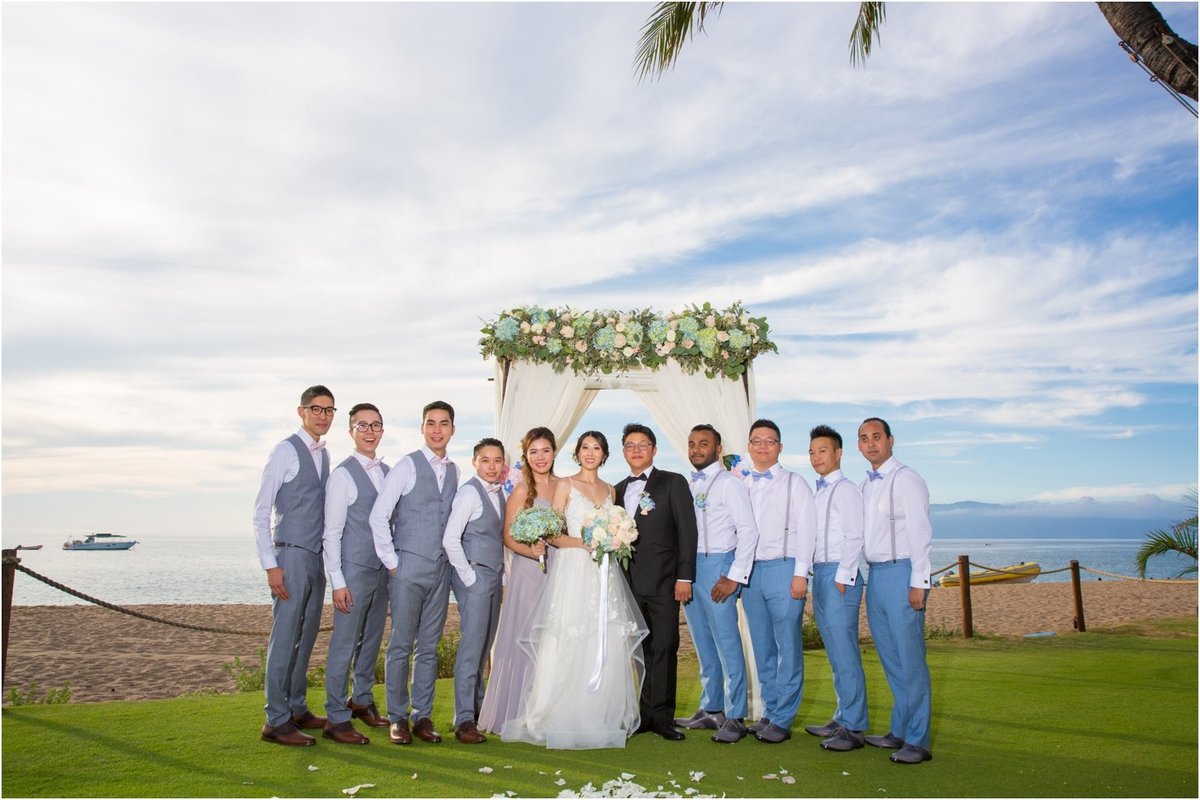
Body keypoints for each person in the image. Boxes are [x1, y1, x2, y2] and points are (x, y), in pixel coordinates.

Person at [502, 431, 648, 749]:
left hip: (603, 572)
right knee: (568, 634)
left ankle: (599, 713)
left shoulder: (610, 489)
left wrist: (613, 540)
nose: (590, 453)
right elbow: (553, 533)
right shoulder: (565, 485)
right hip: (573, 567)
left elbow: (616, 528)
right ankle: (556, 712)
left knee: (603, 636)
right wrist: (585, 543)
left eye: (596, 448)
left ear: (604, 454)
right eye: (585, 447)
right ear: (576, 453)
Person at [370, 401, 459, 746]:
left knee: (429, 647)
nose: (437, 429)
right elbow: (379, 516)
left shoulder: (454, 471)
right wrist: (392, 562)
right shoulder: (407, 465)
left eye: (444, 423)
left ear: (453, 429)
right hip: (407, 567)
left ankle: (422, 715)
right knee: (401, 645)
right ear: (422, 428)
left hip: (440, 570)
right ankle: (397, 717)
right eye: (431, 423)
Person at [253, 385, 335, 747]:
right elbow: (260, 512)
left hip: (315, 557)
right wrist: (271, 565)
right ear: (301, 411)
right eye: (317, 409)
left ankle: (297, 707)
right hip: (289, 554)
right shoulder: (285, 450)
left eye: (329, 410)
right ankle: (275, 719)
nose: (323, 416)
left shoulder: (324, 455)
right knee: (285, 637)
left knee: (306, 636)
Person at [614, 423, 699, 741]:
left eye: (642, 444)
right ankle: (644, 715)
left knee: (665, 647)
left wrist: (684, 576)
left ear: (654, 449)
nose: (636, 450)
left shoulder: (673, 483)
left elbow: (687, 532)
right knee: (640, 650)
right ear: (623, 451)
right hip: (629, 584)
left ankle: (663, 718)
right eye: (630, 445)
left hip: (665, 582)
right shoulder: (618, 489)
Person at [675, 424, 759, 743]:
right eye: (692, 443)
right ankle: (712, 708)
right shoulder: (687, 485)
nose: (697, 449)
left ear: (718, 448)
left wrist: (733, 575)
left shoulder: (729, 484)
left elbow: (748, 531)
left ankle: (736, 715)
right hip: (690, 566)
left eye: (704, 443)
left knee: (726, 641)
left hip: (719, 565)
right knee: (702, 641)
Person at [858, 417, 933, 764]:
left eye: (877, 437)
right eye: (864, 439)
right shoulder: (866, 484)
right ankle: (899, 730)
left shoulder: (907, 479)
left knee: (910, 660)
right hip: (876, 575)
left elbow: (920, 532)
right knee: (890, 659)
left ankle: (918, 740)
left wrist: (919, 581)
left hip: (902, 573)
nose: (871, 443)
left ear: (890, 440)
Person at [738, 419, 817, 744]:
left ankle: (783, 718)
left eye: (769, 441)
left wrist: (801, 573)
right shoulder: (741, 482)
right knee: (762, 647)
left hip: (784, 569)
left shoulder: (795, 483)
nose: (762, 446)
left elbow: (808, 529)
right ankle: (769, 712)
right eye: (756, 441)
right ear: (749, 446)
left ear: (780, 447)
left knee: (788, 646)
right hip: (750, 572)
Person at [478, 427, 559, 735]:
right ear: (526, 455)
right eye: (534, 451)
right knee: (526, 640)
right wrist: (532, 549)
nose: (540, 457)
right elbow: (508, 537)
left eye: (546, 450)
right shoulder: (522, 490)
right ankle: (516, 711)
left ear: (554, 452)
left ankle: (547, 710)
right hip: (529, 573)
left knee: (552, 640)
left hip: (558, 571)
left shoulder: (563, 486)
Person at [321, 403, 392, 745]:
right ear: (351, 431)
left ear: (382, 431)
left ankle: (361, 700)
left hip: (381, 573)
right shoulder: (343, 475)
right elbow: (331, 533)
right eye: (361, 425)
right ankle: (336, 717)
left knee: (372, 640)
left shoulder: (389, 472)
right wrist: (338, 582)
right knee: (344, 644)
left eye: (375, 425)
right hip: (353, 571)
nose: (369, 431)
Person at [804, 424, 869, 752]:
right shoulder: (818, 491)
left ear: (838, 453)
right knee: (835, 652)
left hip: (840, 577)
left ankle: (855, 727)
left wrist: (843, 577)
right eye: (812, 451)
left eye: (823, 450)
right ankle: (843, 715)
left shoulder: (846, 489)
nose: (816, 456)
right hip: (822, 574)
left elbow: (855, 535)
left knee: (845, 652)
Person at [442, 438, 508, 744]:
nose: (492, 466)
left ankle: (479, 708)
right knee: (471, 650)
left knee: (484, 647)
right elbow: (450, 539)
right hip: (477, 577)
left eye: (497, 461)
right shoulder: (470, 492)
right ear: (475, 462)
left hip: (494, 577)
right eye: (486, 460)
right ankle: (463, 718)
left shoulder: (499, 494)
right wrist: (469, 578)